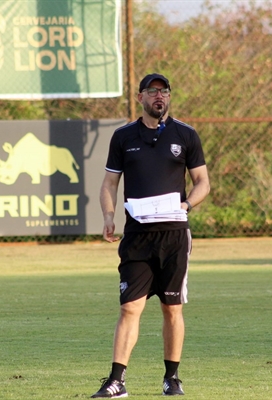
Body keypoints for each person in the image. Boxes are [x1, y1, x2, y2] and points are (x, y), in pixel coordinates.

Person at [91, 73, 210, 398]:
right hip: (137, 237)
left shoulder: (185, 134)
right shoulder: (123, 136)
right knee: (130, 307)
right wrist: (107, 216)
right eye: (153, 91)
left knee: (172, 308)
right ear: (141, 97)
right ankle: (117, 381)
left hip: (173, 235)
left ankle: (172, 378)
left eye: (165, 92)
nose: (159, 97)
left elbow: (202, 182)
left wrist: (185, 204)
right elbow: (109, 184)